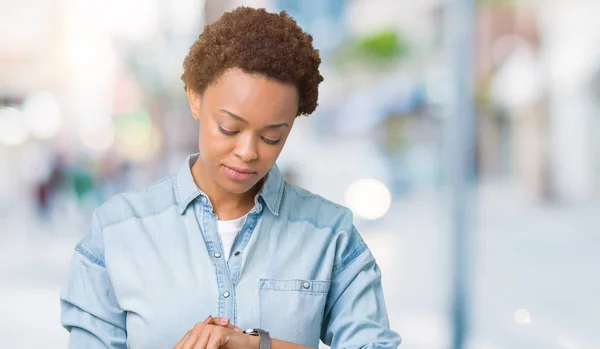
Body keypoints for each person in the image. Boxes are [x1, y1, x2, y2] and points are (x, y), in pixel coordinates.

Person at [60, 6, 401, 349]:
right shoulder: (117, 231)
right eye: (229, 128)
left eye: (272, 137)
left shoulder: (331, 235)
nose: (248, 152)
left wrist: (255, 345)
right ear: (195, 97)